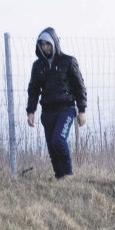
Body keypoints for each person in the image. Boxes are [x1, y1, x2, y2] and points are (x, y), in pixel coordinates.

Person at [26, 27, 87, 179]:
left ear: (54, 43)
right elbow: (33, 90)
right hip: (47, 112)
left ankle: (68, 175)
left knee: (58, 140)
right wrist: (31, 111)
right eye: (42, 44)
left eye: (47, 43)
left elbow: (79, 86)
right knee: (52, 147)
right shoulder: (38, 66)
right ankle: (59, 178)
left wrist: (82, 110)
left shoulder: (68, 61)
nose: (45, 47)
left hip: (66, 109)